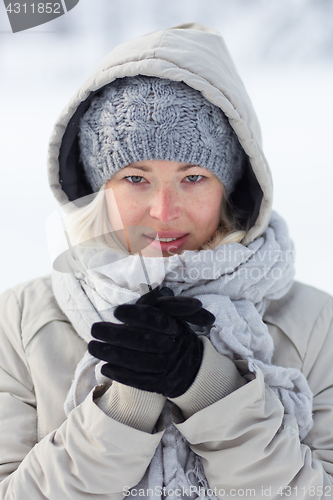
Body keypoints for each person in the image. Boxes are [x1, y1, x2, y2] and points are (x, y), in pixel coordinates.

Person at [0, 22, 333, 500]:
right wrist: (126, 404)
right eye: (136, 179)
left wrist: (212, 387)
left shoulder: (315, 326)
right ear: (99, 189)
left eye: (193, 177)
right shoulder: (19, 322)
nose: (163, 211)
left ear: (232, 188)